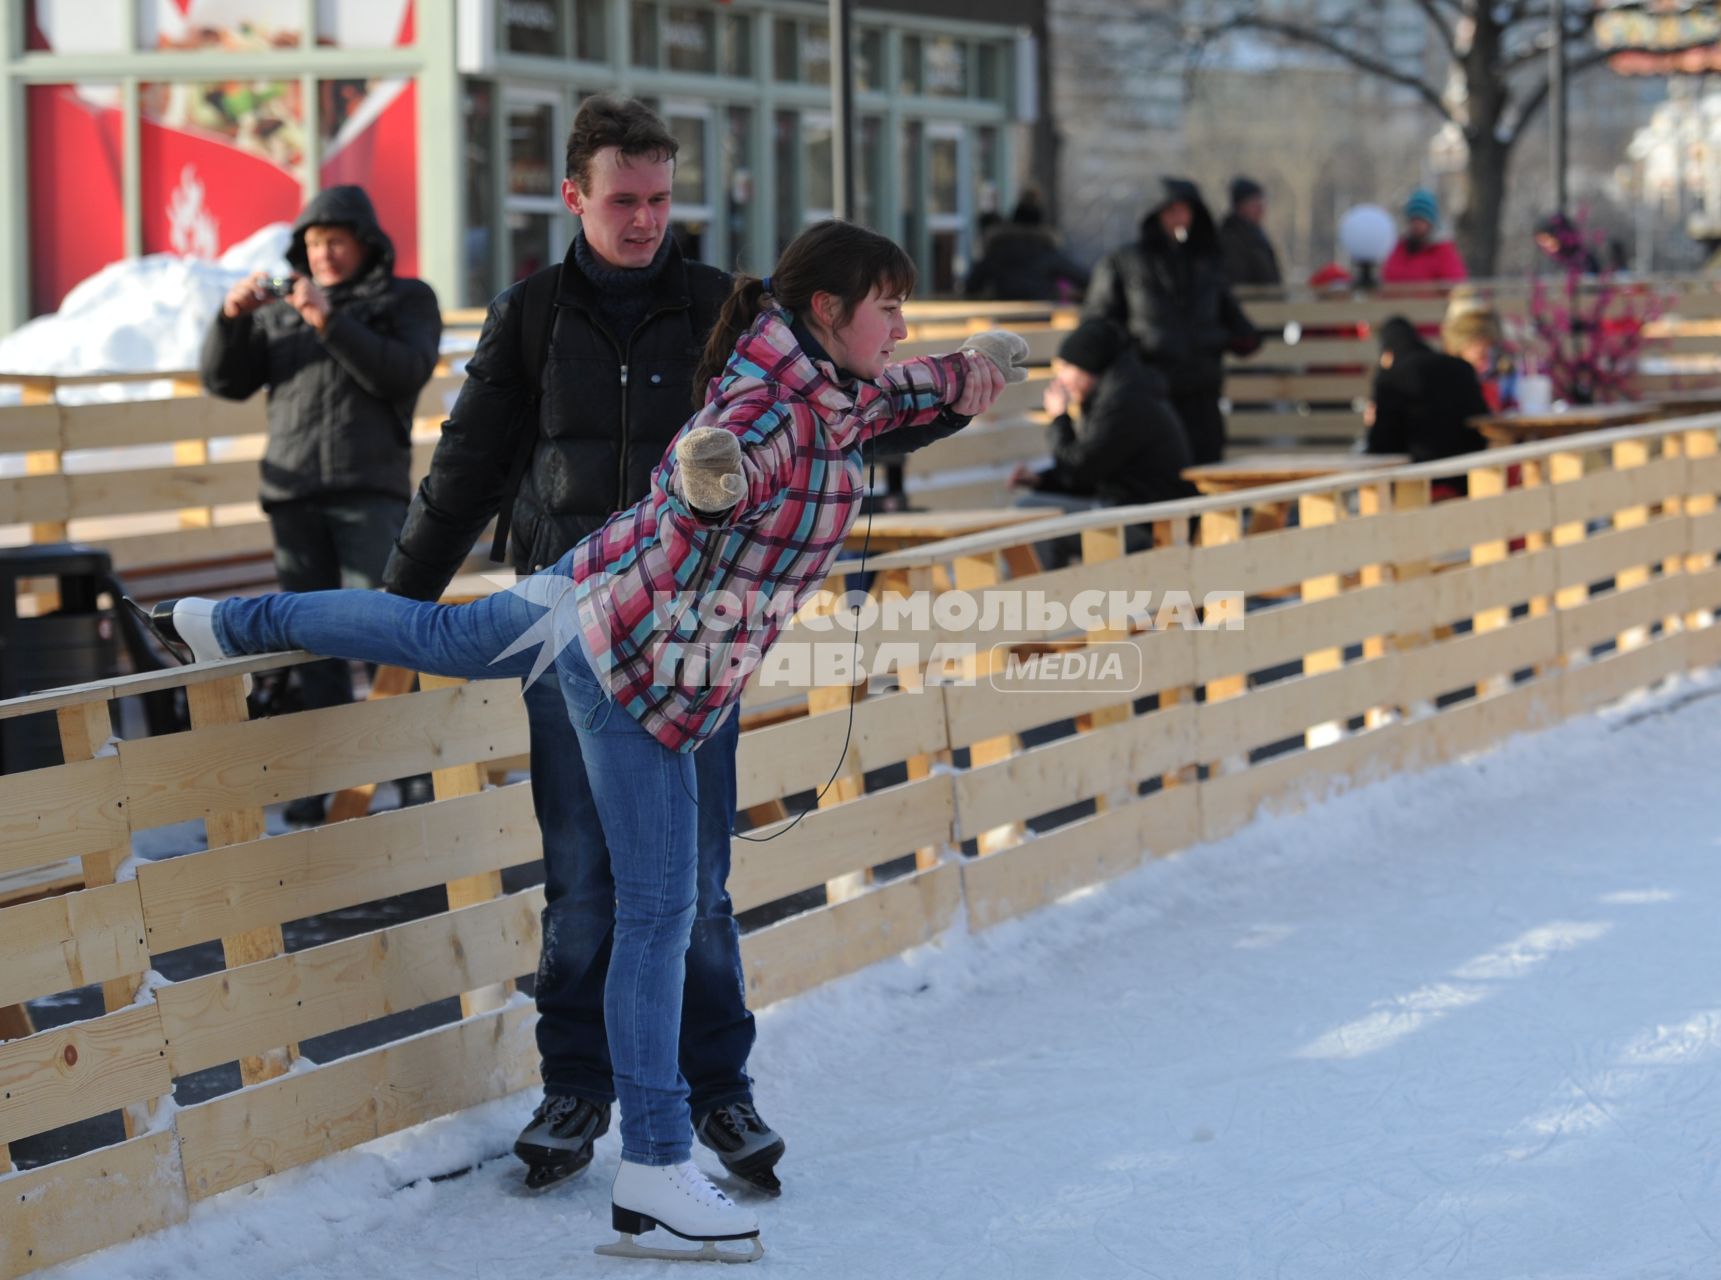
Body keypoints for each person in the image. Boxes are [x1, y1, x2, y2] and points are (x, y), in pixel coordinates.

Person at [138, 219, 1021, 1258]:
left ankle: (220, 621)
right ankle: (653, 1167)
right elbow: (716, 471)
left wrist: (968, 372)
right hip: (628, 665)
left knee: (438, 633)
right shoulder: (766, 411)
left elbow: (895, 391)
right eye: (888, 306)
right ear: (828, 312)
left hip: (590, 588)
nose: (901, 325)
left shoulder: (831, 385)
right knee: (657, 910)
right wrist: (706, 486)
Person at [380, 95, 779, 1196]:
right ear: (573, 196)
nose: (646, 220)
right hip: (568, 625)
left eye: (659, 200)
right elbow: (466, 464)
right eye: (623, 201)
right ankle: (575, 1082)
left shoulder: (724, 309)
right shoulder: (530, 314)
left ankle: (718, 1089)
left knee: (697, 876)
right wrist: (401, 609)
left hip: (695, 628)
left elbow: (808, 427)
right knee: (584, 874)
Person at [200, 184, 441, 825]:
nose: (324, 253)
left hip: (370, 492)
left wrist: (330, 320)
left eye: (336, 241)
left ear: (366, 243)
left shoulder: (405, 299)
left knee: (387, 634)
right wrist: (230, 318)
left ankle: (415, 776)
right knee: (309, 647)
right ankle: (326, 780)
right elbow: (225, 381)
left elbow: (403, 373)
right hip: (294, 497)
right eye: (312, 243)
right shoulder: (280, 309)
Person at [1083, 176, 1260, 465]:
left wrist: (1219, 339)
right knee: (1159, 478)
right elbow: (1098, 326)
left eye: (1185, 211)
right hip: (1150, 395)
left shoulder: (1208, 264)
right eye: (1171, 211)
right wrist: (1133, 355)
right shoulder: (1124, 262)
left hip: (1201, 395)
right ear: (1155, 215)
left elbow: (1241, 329)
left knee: (1205, 476)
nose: (1179, 219)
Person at [1009, 317, 1195, 567]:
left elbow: (1081, 470)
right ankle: (1055, 598)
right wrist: (1042, 480)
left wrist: (1059, 417)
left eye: (1066, 368)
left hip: (1143, 524)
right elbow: (1097, 467)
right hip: (1142, 515)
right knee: (1034, 510)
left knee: (1027, 513)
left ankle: (1046, 601)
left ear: (1088, 365)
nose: (1061, 379)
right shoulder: (1127, 392)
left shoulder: (1124, 403)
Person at [1364, 316, 1488, 476]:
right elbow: (1482, 419)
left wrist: (1372, 423)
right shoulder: (1460, 367)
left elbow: (1381, 441)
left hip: (1416, 477)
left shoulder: (1391, 376)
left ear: (1387, 352)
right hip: (1467, 473)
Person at [964, 190, 1089, 303]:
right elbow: (1084, 279)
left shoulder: (998, 251)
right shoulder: (1046, 250)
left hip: (1002, 320)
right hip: (1041, 320)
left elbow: (971, 285)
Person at [1380, 188, 1468, 285]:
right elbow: (1387, 279)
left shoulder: (1443, 251)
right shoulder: (1399, 249)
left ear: (1431, 222)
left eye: (1422, 219)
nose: (1416, 224)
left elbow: (1455, 286)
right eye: (1413, 218)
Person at [1218, 176, 1282, 287]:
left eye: (1261, 202)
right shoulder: (1230, 239)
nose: (1260, 208)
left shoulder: (1257, 236)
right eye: (1254, 203)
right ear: (1240, 206)